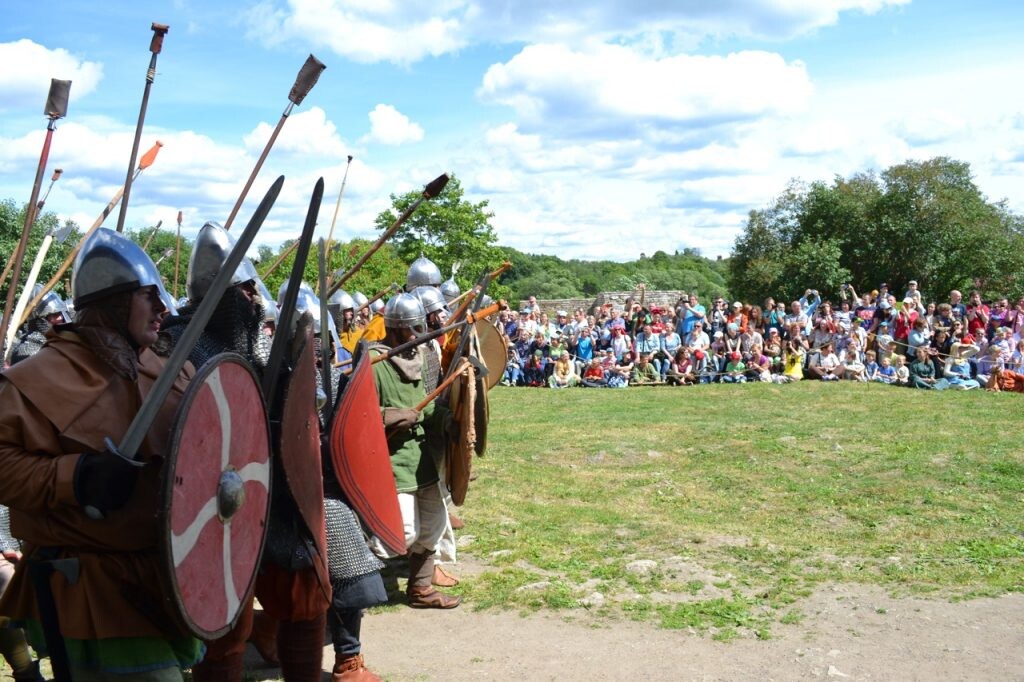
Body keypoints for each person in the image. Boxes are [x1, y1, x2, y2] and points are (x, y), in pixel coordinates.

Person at [0, 228, 204, 679]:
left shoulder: (168, 368)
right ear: (112, 301)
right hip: (91, 584)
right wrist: (78, 476)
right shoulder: (37, 378)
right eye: (148, 297)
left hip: (161, 575)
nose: (163, 309)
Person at [368, 293, 460, 609]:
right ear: (396, 329)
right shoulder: (374, 363)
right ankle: (353, 577)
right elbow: (355, 416)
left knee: (433, 526)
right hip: (392, 462)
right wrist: (390, 415)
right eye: (413, 328)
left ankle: (420, 590)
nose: (418, 335)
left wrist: (449, 420)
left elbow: (429, 405)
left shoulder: (416, 358)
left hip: (422, 461)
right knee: (401, 533)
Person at [8, 285, 71, 366]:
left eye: (60, 313)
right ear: (38, 319)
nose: (60, 318)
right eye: (53, 315)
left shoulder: (65, 341)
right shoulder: (26, 353)